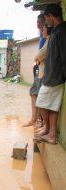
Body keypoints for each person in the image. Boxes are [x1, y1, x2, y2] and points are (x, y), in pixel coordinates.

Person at [35, 4, 66, 144]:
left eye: (46, 18)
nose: (45, 21)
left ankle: (51, 134)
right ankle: (49, 132)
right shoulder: (56, 31)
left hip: (55, 76)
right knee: (51, 105)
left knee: (41, 103)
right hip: (51, 75)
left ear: (51, 16)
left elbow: (64, 55)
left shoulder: (62, 31)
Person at [23, 14, 47, 127]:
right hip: (39, 67)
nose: (38, 24)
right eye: (37, 22)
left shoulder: (47, 36)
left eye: (40, 22)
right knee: (34, 92)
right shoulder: (42, 34)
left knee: (38, 93)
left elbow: (41, 54)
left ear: (45, 22)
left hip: (43, 69)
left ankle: (38, 121)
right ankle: (35, 119)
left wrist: (36, 60)